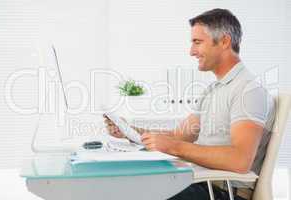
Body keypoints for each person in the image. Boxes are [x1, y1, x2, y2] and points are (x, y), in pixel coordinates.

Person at [104, 8, 275, 200]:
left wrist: (173, 147)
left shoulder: (248, 90)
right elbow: (179, 136)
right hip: (201, 184)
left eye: (198, 42)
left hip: (222, 192)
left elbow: (240, 160)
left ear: (225, 42)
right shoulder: (213, 90)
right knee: (122, 185)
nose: (191, 51)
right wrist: (130, 131)